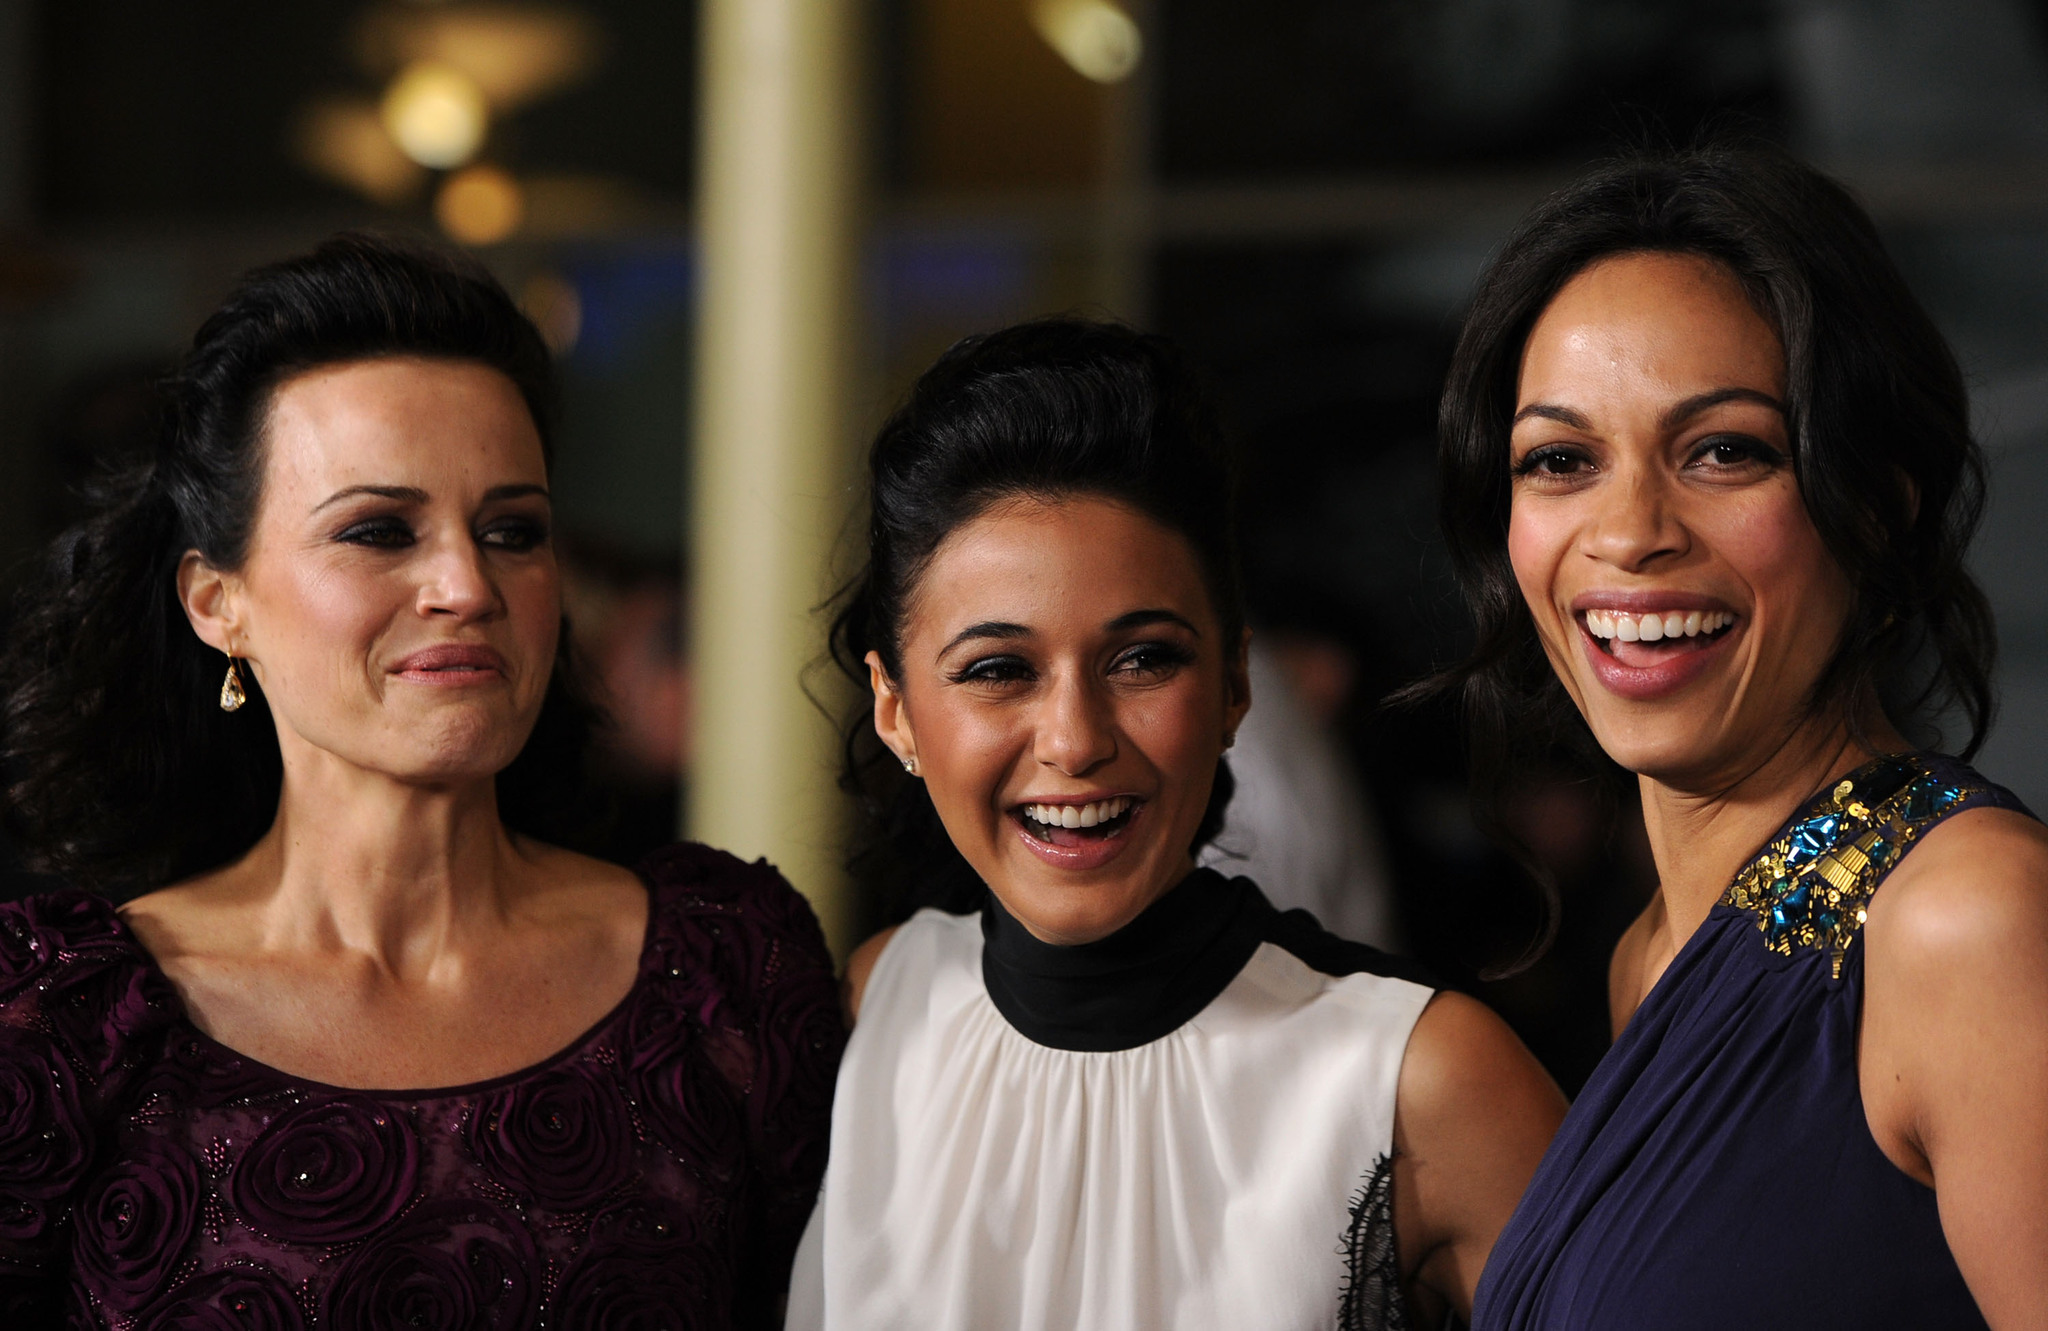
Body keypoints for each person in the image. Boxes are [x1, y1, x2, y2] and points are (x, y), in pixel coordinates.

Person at [0, 234, 843, 1328]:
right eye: (377, 530)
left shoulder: (720, 975)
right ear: (219, 603)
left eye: (512, 530)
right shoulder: (67, 1025)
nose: (465, 583)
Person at [788, 318, 1565, 1330]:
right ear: (892, 708)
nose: (1072, 739)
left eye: (1141, 657)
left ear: (1236, 680)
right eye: (997, 669)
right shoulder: (872, 1004)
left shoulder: (1421, 1074)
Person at [1438, 146, 2048, 1329]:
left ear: (1872, 500)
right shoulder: (1649, 952)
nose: (1627, 533)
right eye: (1559, 461)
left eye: (1724, 449)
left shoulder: (1963, 920)